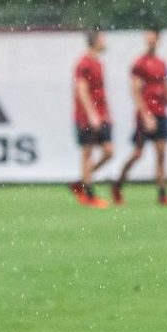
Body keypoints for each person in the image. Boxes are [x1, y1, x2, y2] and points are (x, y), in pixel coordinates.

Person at [111, 27, 167, 206]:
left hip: (160, 114)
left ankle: (162, 194)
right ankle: (118, 185)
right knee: (137, 154)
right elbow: (135, 91)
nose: (150, 40)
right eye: (148, 36)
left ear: (158, 40)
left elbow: (166, 89)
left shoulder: (161, 64)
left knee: (161, 155)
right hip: (145, 116)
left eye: (153, 37)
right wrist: (146, 115)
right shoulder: (139, 64)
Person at [70, 29, 113, 208]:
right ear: (95, 41)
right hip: (87, 117)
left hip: (102, 115)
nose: (105, 40)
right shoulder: (84, 63)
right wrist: (91, 114)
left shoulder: (98, 63)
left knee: (109, 152)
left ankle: (82, 182)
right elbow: (81, 90)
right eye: (102, 37)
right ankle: (88, 193)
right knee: (87, 153)